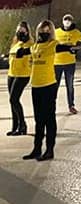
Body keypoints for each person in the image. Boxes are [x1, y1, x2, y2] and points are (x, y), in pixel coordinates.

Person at [23, 19, 60, 161]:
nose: (44, 33)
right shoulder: (35, 46)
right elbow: (26, 52)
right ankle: (37, 149)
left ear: (51, 32)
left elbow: (63, 47)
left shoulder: (53, 44)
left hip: (48, 86)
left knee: (49, 118)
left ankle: (50, 150)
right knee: (38, 119)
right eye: (42, 30)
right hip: (36, 86)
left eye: (47, 31)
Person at [54, 13, 81, 114]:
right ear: (62, 21)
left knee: (70, 85)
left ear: (71, 22)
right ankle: (51, 105)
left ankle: (71, 105)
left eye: (69, 20)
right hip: (56, 63)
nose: (67, 21)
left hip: (70, 63)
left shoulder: (75, 32)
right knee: (55, 85)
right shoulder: (56, 32)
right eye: (65, 19)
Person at [6, 21, 31, 136]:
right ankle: (15, 126)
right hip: (11, 73)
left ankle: (22, 125)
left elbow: (28, 54)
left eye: (22, 30)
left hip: (22, 74)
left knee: (14, 99)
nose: (20, 32)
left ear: (27, 31)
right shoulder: (15, 42)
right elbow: (13, 55)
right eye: (19, 30)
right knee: (12, 101)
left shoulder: (30, 43)